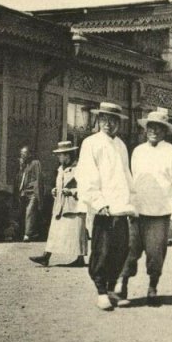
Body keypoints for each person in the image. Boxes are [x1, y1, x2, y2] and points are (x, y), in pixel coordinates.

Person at [116, 108, 172, 306]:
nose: (154, 131)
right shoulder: (138, 152)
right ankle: (122, 286)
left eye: (158, 128)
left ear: (165, 131)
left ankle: (152, 287)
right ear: (145, 130)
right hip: (137, 211)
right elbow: (132, 179)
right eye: (150, 127)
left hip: (160, 212)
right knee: (129, 250)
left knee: (155, 253)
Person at [75, 102, 136, 311]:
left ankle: (111, 289)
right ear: (98, 121)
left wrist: (132, 202)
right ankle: (101, 291)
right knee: (102, 250)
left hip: (121, 206)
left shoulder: (120, 145)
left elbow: (126, 176)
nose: (107, 124)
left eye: (112, 120)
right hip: (104, 208)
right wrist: (98, 202)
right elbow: (86, 175)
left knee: (120, 249)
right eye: (103, 120)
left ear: (118, 123)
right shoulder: (91, 143)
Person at [29, 141, 86, 268]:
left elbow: (86, 187)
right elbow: (60, 184)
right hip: (60, 206)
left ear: (68, 155)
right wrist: (55, 191)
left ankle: (80, 258)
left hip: (74, 206)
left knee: (77, 233)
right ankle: (46, 256)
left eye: (60, 155)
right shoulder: (60, 169)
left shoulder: (79, 169)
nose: (59, 157)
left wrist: (72, 191)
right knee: (54, 232)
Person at [16, 145, 43, 241]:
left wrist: (38, 194)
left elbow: (38, 179)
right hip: (24, 193)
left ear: (30, 154)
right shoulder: (24, 165)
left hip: (33, 193)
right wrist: (20, 167)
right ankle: (29, 233)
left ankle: (27, 234)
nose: (22, 155)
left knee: (30, 212)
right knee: (23, 212)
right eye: (21, 153)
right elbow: (19, 179)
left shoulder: (35, 163)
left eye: (24, 153)